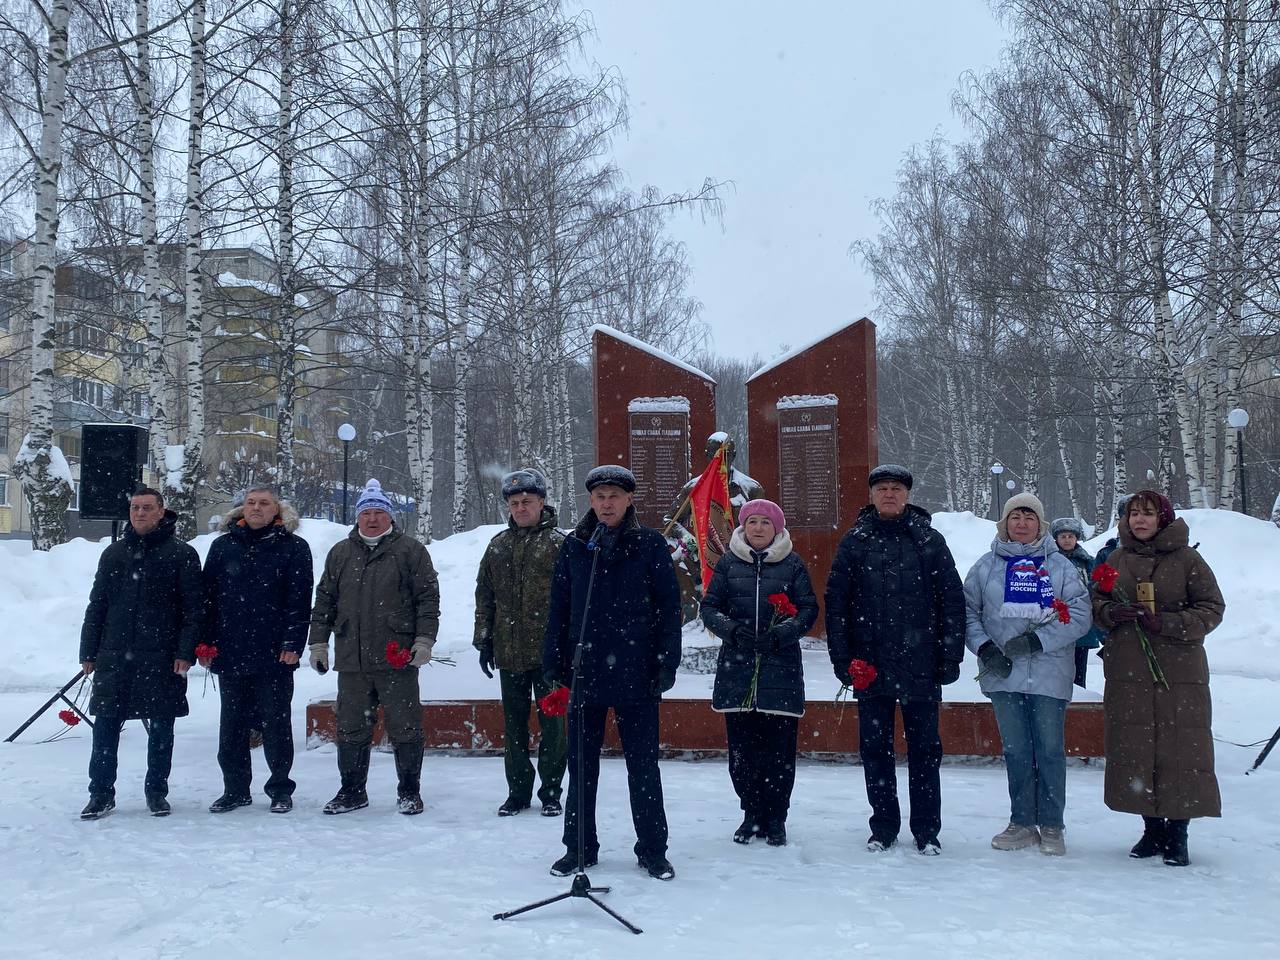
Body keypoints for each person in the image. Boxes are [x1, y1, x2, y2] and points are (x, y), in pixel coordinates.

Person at [542, 465, 682, 881]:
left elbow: (668, 609)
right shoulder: (576, 546)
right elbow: (560, 608)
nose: (607, 503)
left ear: (629, 500)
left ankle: (653, 850)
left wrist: (665, 662)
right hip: (584, 670)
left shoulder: (650, 544)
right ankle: (579, 847)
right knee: (581, 766)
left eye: (614, 496)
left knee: (643, 766)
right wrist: (553, 661)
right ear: (591, 501)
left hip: (636, 670)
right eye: (600, 496)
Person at [824, 464, 966, 855]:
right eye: (882, 488)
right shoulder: (855, 542)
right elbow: (836, 605)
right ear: (871, 495)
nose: (889, 494)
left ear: (907, 496)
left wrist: (949, 654)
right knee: (876, 750)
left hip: (921, 664)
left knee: (924, 750)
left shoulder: (928, 540)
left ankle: (926, 829)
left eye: (897, 489)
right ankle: (883, 826)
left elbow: (951, 601)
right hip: (871, 666)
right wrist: (843, 658)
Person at [1092, 490, 1224, 867]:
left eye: (1148, 514)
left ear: (1163, 519)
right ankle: (1151, 829)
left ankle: (1178, 832)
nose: (1140, 520)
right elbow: (1096, 602)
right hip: (1129, 670)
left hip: (1178, 673)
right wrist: (1110, 613)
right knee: (1136, 748)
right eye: (1134, 513)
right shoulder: (1117, 558)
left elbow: (1212, 608)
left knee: (1180, 749)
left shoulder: (1188, 560)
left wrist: (1166, 623)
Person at [964, 492, 1090, 856]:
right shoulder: (985, 567)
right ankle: (1021, 822)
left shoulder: (1061, 567)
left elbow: (1079, 616)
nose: (1022, 523)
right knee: (1017, 750)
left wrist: (1037, 641)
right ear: (1004, 523)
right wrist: (986, 649)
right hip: (1002, 674)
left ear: (1040, 524)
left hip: (1049, 673)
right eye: (1015, 517)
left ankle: (1051, 824)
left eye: (1029, 517)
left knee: (1049, 750)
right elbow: (968, 613)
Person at [308, 479, 440, 815]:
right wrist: (319, 642)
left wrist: (424, 640)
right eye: (366, 512)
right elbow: (324, 600)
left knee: (406, 726)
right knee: (351, 727)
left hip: (398, 657)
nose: (371, 518)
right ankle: (352, 791)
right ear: (357, 517)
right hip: (352, 659)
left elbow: (427, 599)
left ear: (390, 517)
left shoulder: (410, 551)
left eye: (378, 512)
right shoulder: (340, 553)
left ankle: (409, 791)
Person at [78, 487, 203, 819]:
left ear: (162, 511)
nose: (140, 513)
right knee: (105, 725)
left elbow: (193, 610)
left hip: (162, 657)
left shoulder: (182, 554)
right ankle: (101, 793)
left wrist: (185, 651)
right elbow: (98, 604)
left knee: (162, 727)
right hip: (114, 655)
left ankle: (157, 792)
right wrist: (88, 649)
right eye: (135, 507)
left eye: (147, 508)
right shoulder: (113, 554)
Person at [701, 499, 817, 847]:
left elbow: (808, 609)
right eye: (752, 521)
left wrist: (783, 632)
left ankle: (776, 817)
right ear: (743, 526)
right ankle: (750, 814)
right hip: (738, 670)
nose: (758, 528)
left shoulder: (793, 564)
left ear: (777, 529)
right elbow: (710, 607)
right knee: (742, 752)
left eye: (766, 522)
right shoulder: (728, 563)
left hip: (778, 669)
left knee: (779, 752)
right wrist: (733, 631)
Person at [201, 484, 313, 814]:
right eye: (250, 502)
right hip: (230, 651)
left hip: (274, 655)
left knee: (275, 726)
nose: (256, 508)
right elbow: (207, 600)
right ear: (241, 508)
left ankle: (280, 788)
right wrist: (205, 642)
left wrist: (293, 644)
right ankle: (235, 789)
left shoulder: (294, 548)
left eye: (264, 503)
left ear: (276, 509)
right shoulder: (222, 547)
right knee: (231, 727)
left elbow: (299, 602)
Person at [473, 468, 567, 817]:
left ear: (542, 502)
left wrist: (568, 647)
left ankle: (552, 791)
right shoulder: (497, 546)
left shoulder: (560, 545)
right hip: (509, 653)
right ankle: (517, 792)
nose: (521, 508)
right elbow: (485, 596)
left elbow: (571, 600)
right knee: (513, 726)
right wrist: (484, 641)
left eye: (527, 501)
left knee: (554, 726)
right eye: (514, 503)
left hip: (550, 657)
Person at [1050, 517, 1105, 688]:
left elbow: (1095, 587)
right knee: (1057, 671)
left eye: (1070, 536)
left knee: (1079, 670)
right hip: (1057, 620)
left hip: (1082, 625)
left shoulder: (1087, 561)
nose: (1067, 540)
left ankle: (1079, 696)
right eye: (1063, 537)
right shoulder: (1050, 560)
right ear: (1056, 539)